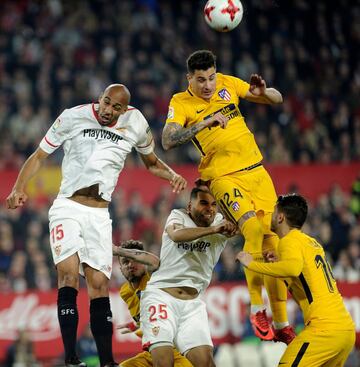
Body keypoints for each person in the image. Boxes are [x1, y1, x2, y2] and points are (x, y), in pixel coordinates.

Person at [6, 84, 187, 367]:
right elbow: (39, 155)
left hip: (100, 215)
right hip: (67, 206)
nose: (108, 110)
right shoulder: (72, 116)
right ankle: (71, 358)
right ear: (99, 99)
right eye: (105, 103)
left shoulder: (136, 122)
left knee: (100, 285)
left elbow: (151, 162)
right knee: (67, 276)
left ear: (124, 109)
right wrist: (19, 187)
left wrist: (172, 174)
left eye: (116, 107)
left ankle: (106, 362)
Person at [162, 49, 293, 343]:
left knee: (274, 242)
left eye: (210, 77)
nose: (208, 85)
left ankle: (283, 324)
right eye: (200, 80)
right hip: (222, 176)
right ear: (189, 79)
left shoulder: (227, 83)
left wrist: (263, 92)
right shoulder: (180, 102)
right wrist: (204, 123)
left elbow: (277, 98)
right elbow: (168, 140)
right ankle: (257, 309)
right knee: (253, 229)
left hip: (257, 171)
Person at [238, 193, 356, 367]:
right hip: (345, 331)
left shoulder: (288, 241)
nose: (270, 216)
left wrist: (252, 264)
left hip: (323, 330)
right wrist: (279, 261)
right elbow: (303, 274)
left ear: (280, 217)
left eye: (273, 212)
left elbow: (292, 268)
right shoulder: (310, 242)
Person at [140, 187, 237, 367]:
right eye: (204, 203)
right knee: (164, 363)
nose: (210, 208)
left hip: (193, 304)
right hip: (161, 297)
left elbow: (249, 227)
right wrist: (215, 230)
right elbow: (176, 235)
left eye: (214, 204)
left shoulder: (222, 222)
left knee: (206, 363)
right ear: (190, 205)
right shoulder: (178, 216)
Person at [114, 239, 193, 367]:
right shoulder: (125, 292)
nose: (130, 264)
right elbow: (155, 318)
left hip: (175, 351)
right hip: (150, 353)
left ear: (143, 262)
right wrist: (137, 324)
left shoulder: (155, 277)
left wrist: (119, 251)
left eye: (135, 260)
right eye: (125, 262)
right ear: (120, 268)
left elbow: (154, 261)